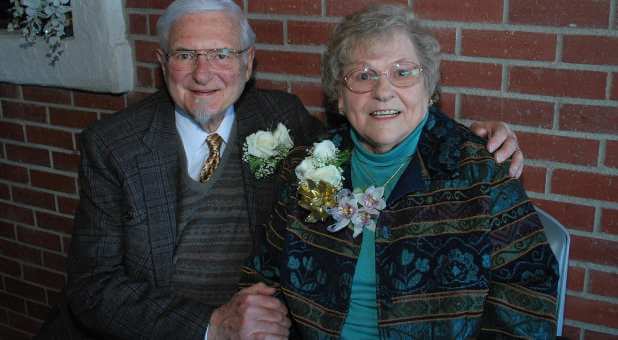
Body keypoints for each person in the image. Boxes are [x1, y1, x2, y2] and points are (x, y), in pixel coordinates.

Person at [41, 0, 522, 339]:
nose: (204, 73)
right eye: (186, 55)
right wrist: (210, 328)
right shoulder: (115, 145)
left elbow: (382, 124)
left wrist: (471, 137)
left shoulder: (283, 118)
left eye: (222, 54)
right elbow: (92, 287)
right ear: (162, 63)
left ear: (248, 62)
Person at [240, 4, 559, 339]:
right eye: (363, 75)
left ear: (429, 88)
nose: (382, 91)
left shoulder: (478, 171)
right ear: (339, 99)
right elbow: (265, 276)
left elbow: (528, 293)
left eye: (402, 72)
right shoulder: (310, 166)